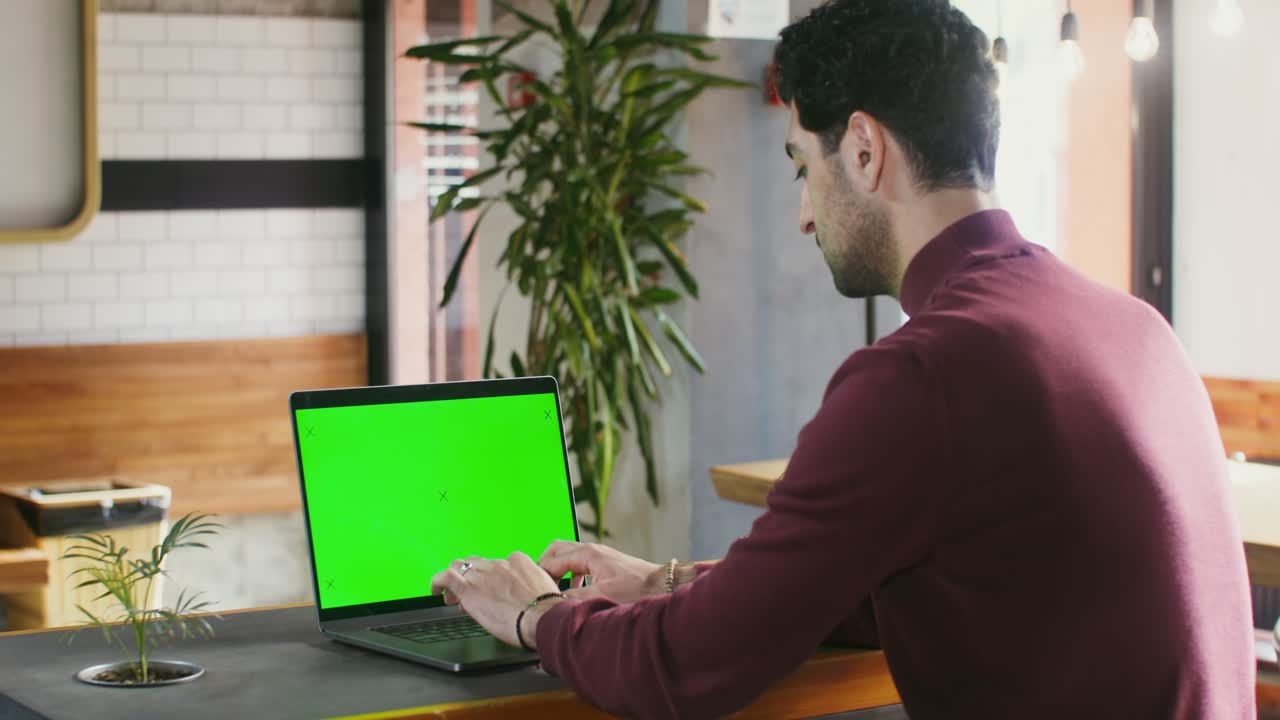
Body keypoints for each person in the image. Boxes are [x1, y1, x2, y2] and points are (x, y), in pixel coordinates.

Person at [431, 0, 1255, 717]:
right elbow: (871, 584)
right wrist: (667, 581)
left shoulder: (926, 374)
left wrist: (535, 613)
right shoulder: (1134, 327)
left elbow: (683, 670)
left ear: (863, 149)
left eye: (803, 165)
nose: (803, 214)